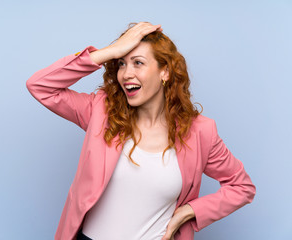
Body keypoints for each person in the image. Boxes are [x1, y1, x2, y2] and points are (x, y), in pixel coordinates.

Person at [26, 22, 256, 240]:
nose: (126, 74)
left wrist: (190, 211)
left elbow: (242, 187)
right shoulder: (101, 113)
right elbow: (40, 86)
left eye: (138, 63)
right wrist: (110, 51)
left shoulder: (200, 132)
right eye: (121, 63)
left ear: (164, 72)